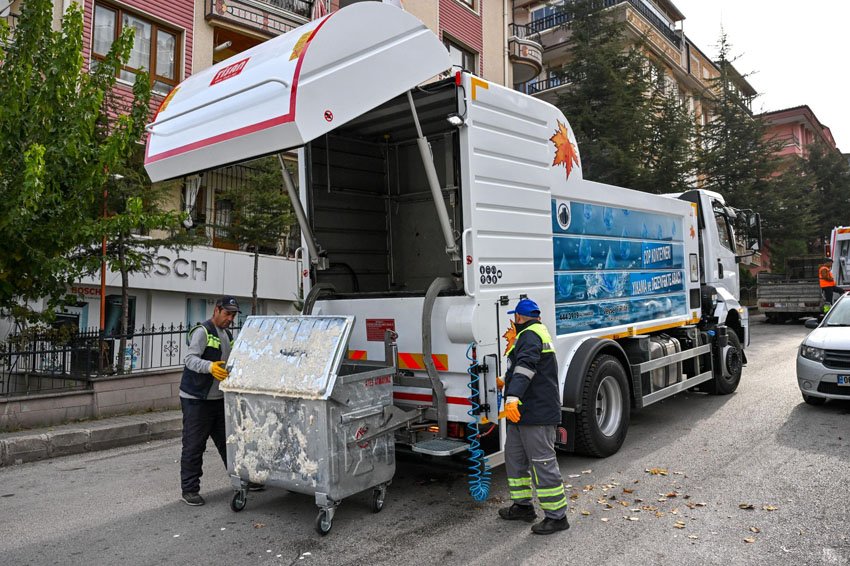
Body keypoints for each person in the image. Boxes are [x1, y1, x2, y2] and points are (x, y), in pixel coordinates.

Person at [497, 298, 569, 535]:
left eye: (514, 318)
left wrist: (512, 395)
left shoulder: (530, 335)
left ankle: (557, 517)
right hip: (523, 412)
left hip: (535, 413)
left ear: (518, 318)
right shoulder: (533, 333)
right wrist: (506, 383)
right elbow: (525, 368)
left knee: (542, 463)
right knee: (515, 460)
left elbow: (526, 367)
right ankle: (523, 506)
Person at [179, 296, 259, 505]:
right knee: (194, 445)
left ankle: (241, 480)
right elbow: (189, 359)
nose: (230, 318)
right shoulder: (202, 331)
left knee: (229, 443)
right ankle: (189, 490)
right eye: (227, 314)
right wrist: (210, 367)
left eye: (233, 315)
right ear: (216, 310)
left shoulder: (226, 334)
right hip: (196, 399)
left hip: (218, 398)